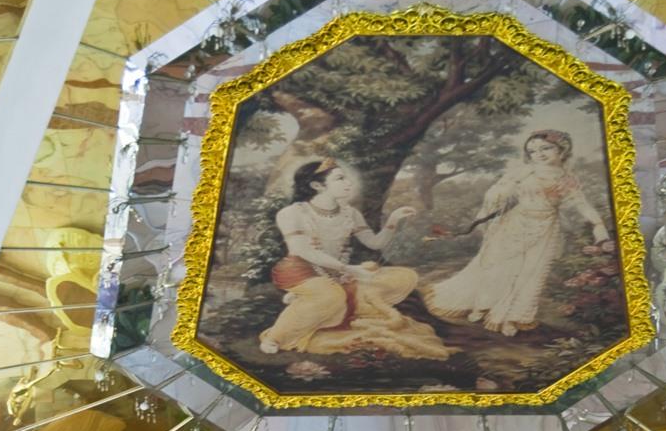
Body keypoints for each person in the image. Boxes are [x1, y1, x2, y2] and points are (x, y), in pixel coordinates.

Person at [423, 129, 614, 337]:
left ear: (562, 150)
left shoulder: (567, 179)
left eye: (546, 148)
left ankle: (511, 317)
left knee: (530, 273)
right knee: (497, 268)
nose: (539, 154)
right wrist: (502, 192)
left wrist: (599, 227)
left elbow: (582, 205)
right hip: (514, 224)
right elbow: (496, 194)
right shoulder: (523, 172)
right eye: (533, 151)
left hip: (545, 228)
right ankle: (482, 305)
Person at [259, 158, 451, 361]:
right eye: (340, 178)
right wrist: (348, 269)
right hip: (301, 269)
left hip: (337, 271)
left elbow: (374, 243)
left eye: (346, 178)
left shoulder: (350, 213)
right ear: (317, 185)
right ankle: (274, 338)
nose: (348, 183)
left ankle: (305, 299)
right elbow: (302, 250)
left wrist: (393, 220)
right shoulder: (292, 213)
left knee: (398, 278)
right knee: (331, 297)